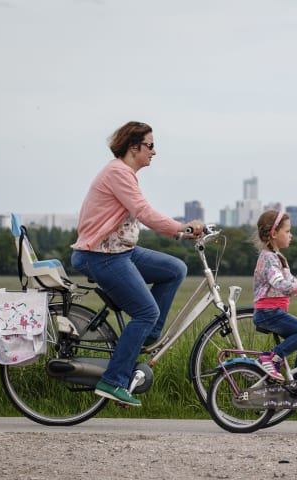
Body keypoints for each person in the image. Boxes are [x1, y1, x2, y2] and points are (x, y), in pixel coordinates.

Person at [70, 121, 204, 407]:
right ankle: (114, 380)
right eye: (151, 145)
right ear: (134, 147)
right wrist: (182, 228)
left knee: (175, 269)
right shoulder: (118, 172)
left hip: (121, 251)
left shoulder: (124, 173)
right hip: (101, 256)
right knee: (145, 312)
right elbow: (143, 212)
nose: (154, 152)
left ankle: (145, 338)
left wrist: (181, 232)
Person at [252, 209, 297, 407]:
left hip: (276, 313)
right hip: (268, 313)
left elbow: (292, 283)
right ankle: (270, 358)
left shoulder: (278, 258)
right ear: (274, 234)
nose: (291, 235)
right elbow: (280, 284)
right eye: (287, 231)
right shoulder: (267, 258)